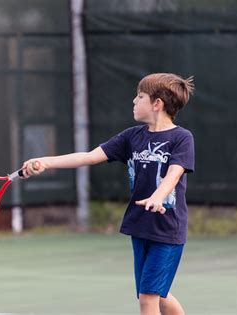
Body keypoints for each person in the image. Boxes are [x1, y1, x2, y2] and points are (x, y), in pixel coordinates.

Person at [22, 73, 195, 315]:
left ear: (157, 104)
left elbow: (174, 174)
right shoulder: (131, 137)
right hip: (140, 226)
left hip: (167, 230)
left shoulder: (181, 138)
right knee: (158, 296)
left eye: (140, 96)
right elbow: (89, 156)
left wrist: (158, 196)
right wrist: (46, 161)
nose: (134, 101)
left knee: (148, 298)